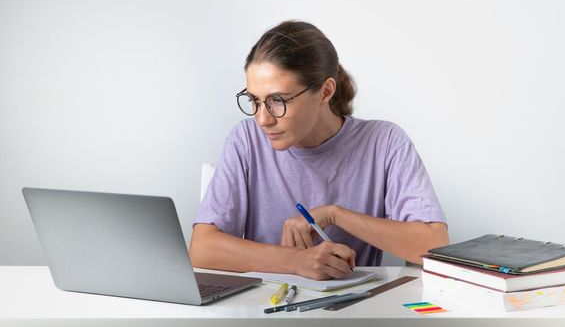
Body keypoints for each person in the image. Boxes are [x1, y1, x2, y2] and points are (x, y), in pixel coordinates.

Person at [190, 20, 448, 280]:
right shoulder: (245, 140)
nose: (263, 119)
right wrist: (296, 261)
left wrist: (334, 214)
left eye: (277, 101)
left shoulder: (385, 142)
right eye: (254, 101)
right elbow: (202, 249)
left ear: (325, 92)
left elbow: (433, 245)